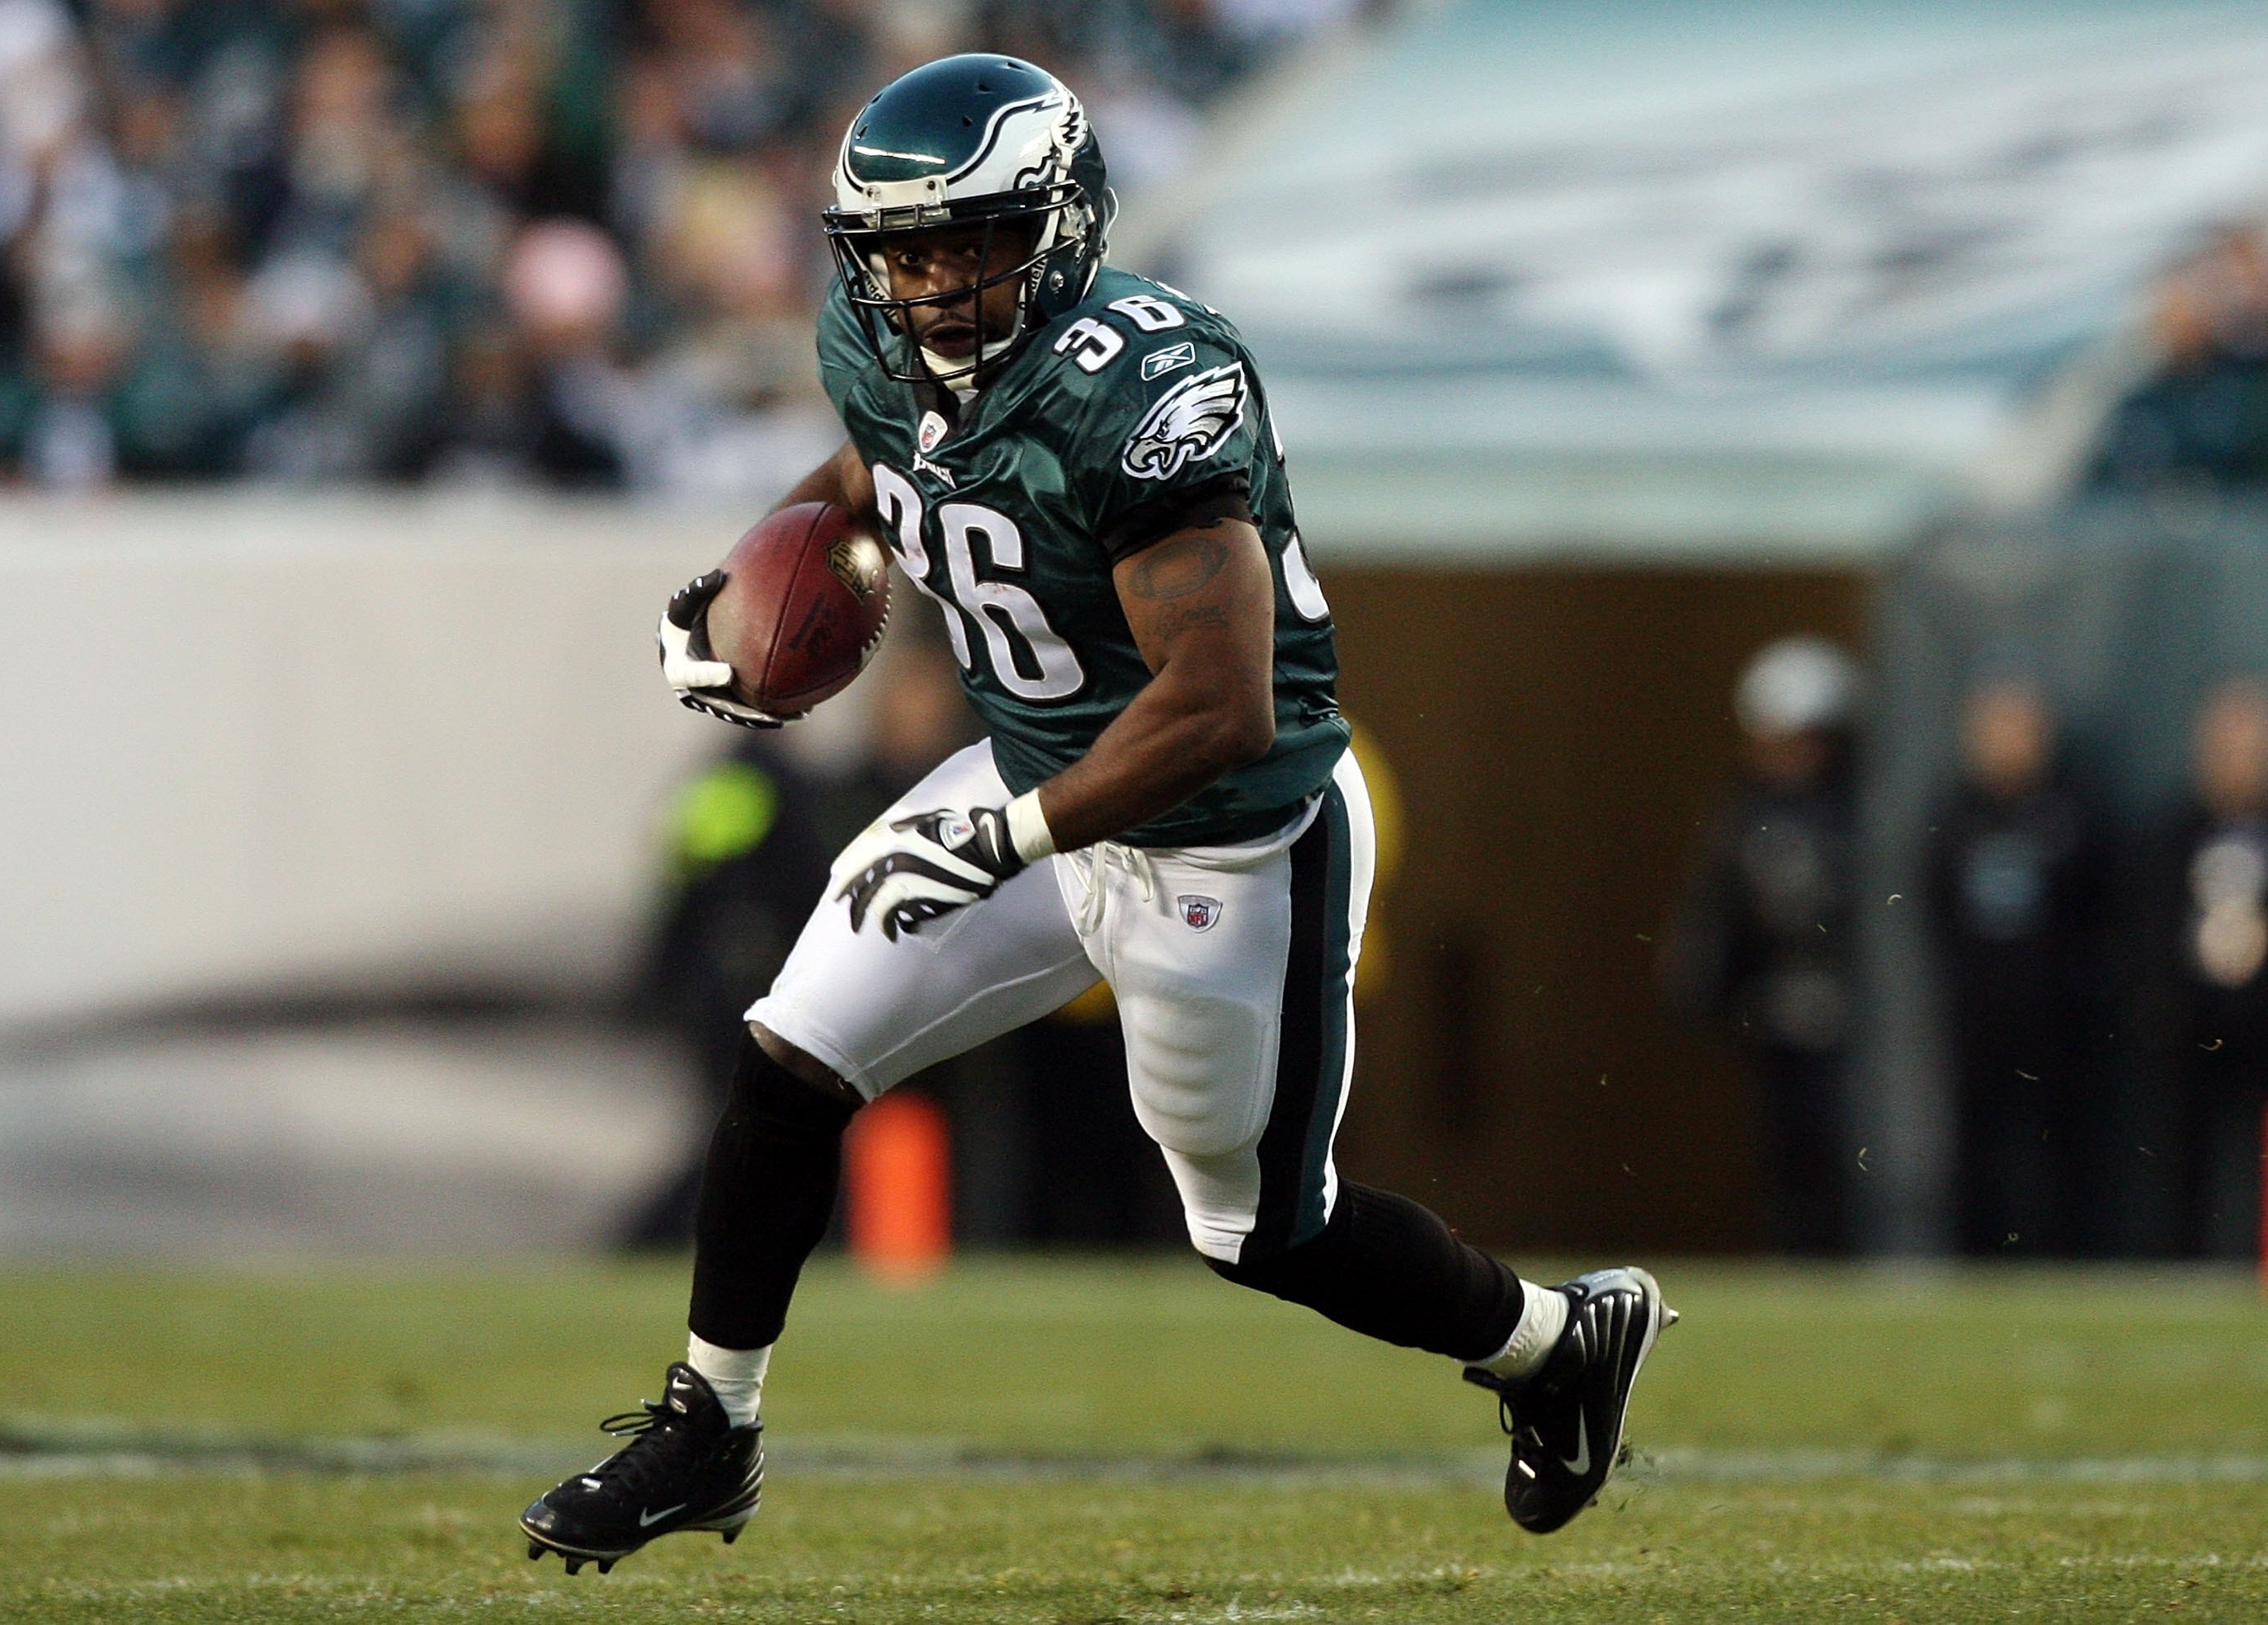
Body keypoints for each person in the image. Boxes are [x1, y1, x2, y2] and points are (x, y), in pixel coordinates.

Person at [517, 55, 1675, 1573]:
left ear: (1059, 225)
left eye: (969, 241)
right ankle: (709, 1427)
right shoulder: (876, 338)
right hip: (1036, 767)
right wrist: (760, 585)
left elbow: (1220, 703)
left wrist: (1005, 835)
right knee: (791, 1057)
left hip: (1230, 826)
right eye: (904, 249)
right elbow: (887, 469)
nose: (930, 283)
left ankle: (1554, 1346)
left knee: (1263, 1232)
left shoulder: (1144, 384)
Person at [1663, 637, 1862, 1255]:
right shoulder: (1746, 814)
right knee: (1786, 1149)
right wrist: (1704, 988)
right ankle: (1794, 1251)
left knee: (1850, 1144)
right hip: (1779, 1009)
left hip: (1854, 1015)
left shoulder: (1861, 815)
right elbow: (1718, 912)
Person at [1922, 676, 2108, 1256]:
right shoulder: (1953, 817)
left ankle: (2067, 1261)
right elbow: (1934, 913)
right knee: (1977, 1151)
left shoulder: (2071, 813)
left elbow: (2101, 913)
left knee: (2060, 1153)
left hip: (2057, 1024)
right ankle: (1972, 1264)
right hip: (1979, 1019)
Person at [2151, 678, 2268, 1259]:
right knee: (2182, 1157)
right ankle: (2182, 1260)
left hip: (2259, 1021)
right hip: (2191, 1026)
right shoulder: (2171, 831)